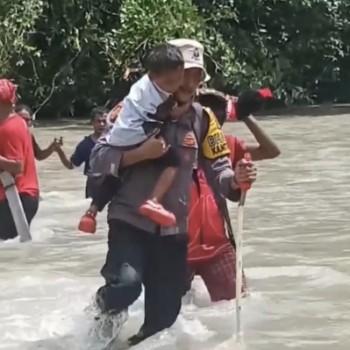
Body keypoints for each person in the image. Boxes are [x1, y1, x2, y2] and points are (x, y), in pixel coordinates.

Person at [88, 39, 257, 347]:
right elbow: (97, 160)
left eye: (195, 75)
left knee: (164, 319)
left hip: (174, 229)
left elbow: (219, 170)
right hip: (130, 219)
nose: (189, 82)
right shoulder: (131, 109)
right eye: (185, 74)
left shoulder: (202, 119)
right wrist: (139, 154)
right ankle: (100, 308)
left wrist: (237, 179)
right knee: (126, 287)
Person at [79, 43, 185, 234]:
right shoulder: (152, 100)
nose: (177, 86)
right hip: (130, 137)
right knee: (174, 159)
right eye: (170, 84)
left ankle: (91, 212)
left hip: (119, 141)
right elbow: (171, 113)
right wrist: (187, 103)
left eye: (180, 80)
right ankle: (154, 201)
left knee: (117, 175)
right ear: (153, 77)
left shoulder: (143, 87)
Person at [186, 88, 280, 301]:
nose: (212, 112)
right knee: (168, 315)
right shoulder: (176, 140)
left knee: (240, 302)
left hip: (217, 244)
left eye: (218, 108)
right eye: (206, 106)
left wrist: (245, 115)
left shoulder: (228, 144)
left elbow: (271, 150)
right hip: (176, 246)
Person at [0, 80, 39, 241]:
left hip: (17, 198)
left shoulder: (11, 127)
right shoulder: (13, 123)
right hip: (15, 197)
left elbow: (17, 166)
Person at [57, 107, 107, 198]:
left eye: (104, 121)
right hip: (94, 185)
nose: (102, 124)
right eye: (98, 121)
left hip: (113, 183)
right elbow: (71, 165)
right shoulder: (85, 145)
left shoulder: (116, 142)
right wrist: (59, 151)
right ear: (92, 122)